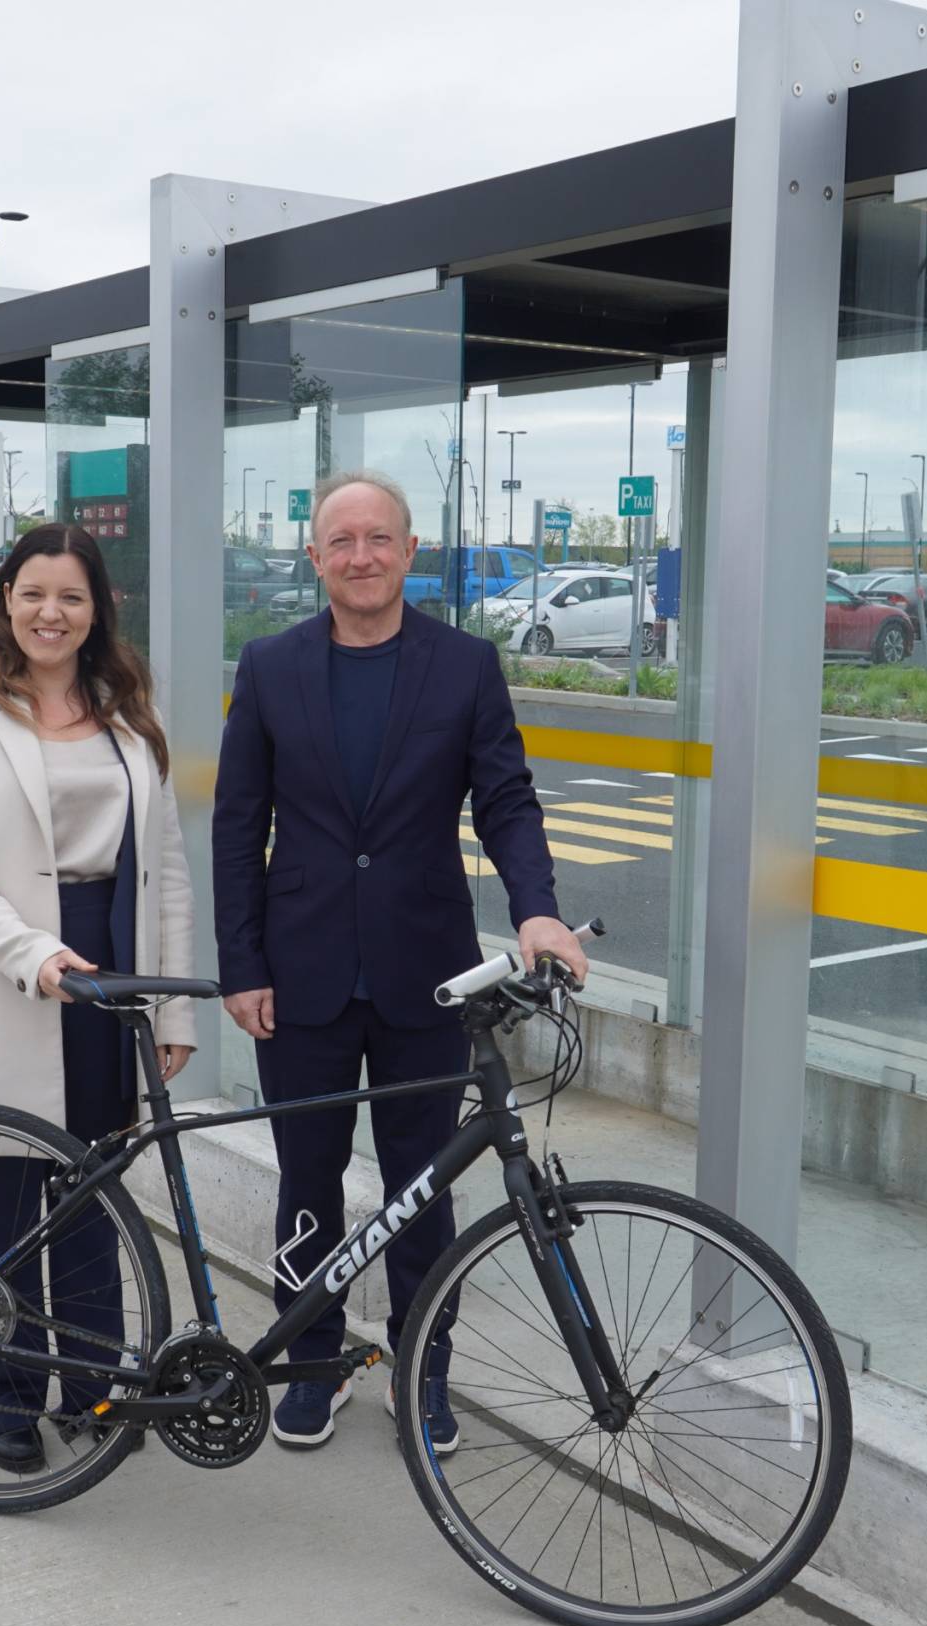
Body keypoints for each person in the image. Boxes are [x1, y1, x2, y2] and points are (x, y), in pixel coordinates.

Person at [214, 470, 588, 1451]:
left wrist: (537, 913)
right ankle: (312, 1362)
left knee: (420, 1186)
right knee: (306, 1175)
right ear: (314, 559)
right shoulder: (269, 666)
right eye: (340, 542)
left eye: (377, 539)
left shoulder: (463, 667)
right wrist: (239, 963)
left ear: (408, 551)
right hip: (299, 976)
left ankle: (422, 1367)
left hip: (427, 973)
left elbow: (505, 800)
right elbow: (236, 824)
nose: (360, 557)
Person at [0, 523, 196, 1472]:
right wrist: (34, 954)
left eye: (71, 597)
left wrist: (173, 1010)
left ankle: (92, 1384)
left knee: (92, 1199)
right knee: (1, 1198)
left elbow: (165, 870)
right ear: (4, 601)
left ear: (96, 611)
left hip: (112, 974)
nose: (50, 612)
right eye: (33, 593)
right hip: (12, 975)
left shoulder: (129, 717)